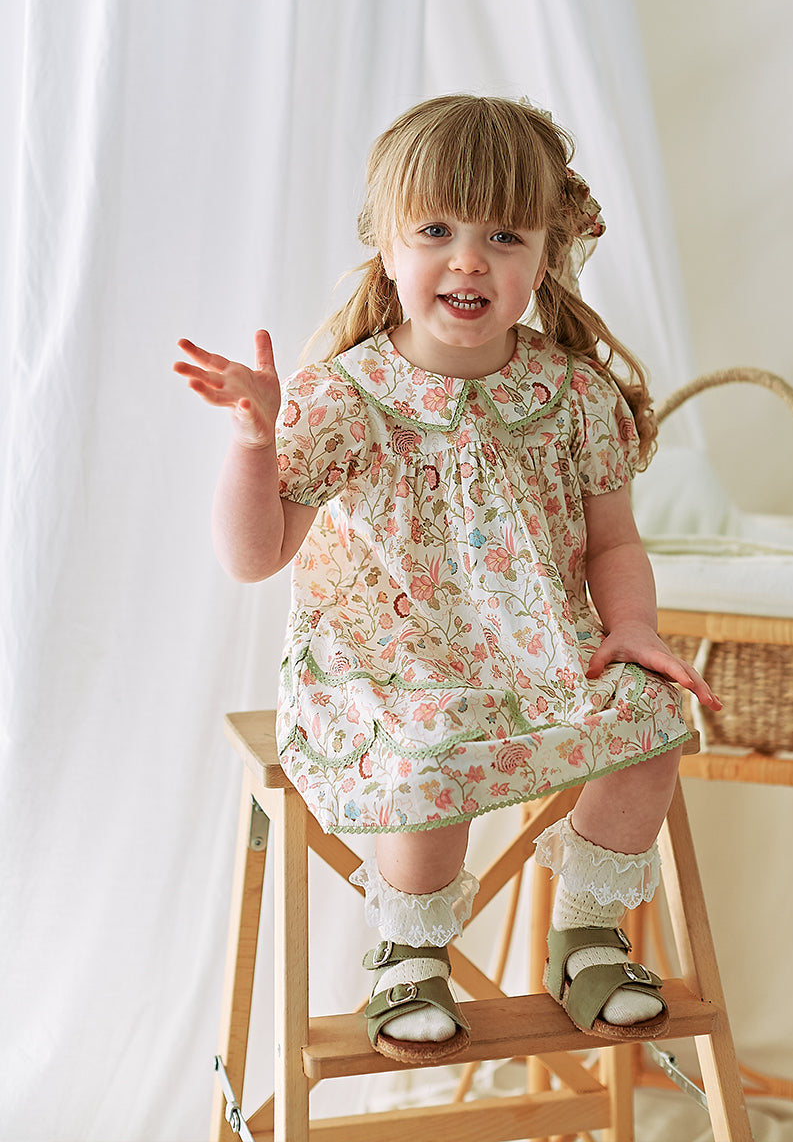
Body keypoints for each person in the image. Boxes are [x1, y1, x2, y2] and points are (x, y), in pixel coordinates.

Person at [174, 94, 721, 1065]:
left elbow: (612, 543)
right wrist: (256, 445)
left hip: (539, 655)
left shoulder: (571, 393)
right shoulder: (348, 399)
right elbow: (255, 557)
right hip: (389, 664)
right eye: (436, 231)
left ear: (543, 258)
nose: (469, 260)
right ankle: (411, 953)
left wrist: (632, 625)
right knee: (433, 754)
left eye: (503, 236)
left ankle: (587, 935)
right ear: (387, 249)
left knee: (650, 721)